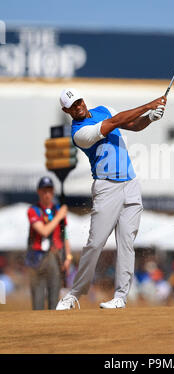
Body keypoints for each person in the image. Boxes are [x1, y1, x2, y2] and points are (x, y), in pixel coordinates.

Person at [56, 88, 166, 310]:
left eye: (79, 101)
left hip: (131, 184)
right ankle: (75, 293)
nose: (78, 106)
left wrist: (150, 119)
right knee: (95, 243)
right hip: (106, 188)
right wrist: (148, 105)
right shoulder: (79, 133)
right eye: (73, 105)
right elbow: (115, 122)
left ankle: (120, 297)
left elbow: (132, 125)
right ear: (66, 110)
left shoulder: (103, 110)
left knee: (126, 243)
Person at [26, 176, 73, 310]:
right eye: (44, 191)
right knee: (38, 303)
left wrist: (68, 257)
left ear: (53, 192)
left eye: (50, 191)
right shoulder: (33, 210)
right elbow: (44, 231)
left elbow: (65, 235)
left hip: (55, 257)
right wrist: (59, 216)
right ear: (39, 192)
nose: (47, 194)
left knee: (54, 301)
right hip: (37, 260)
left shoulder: (58, 210)